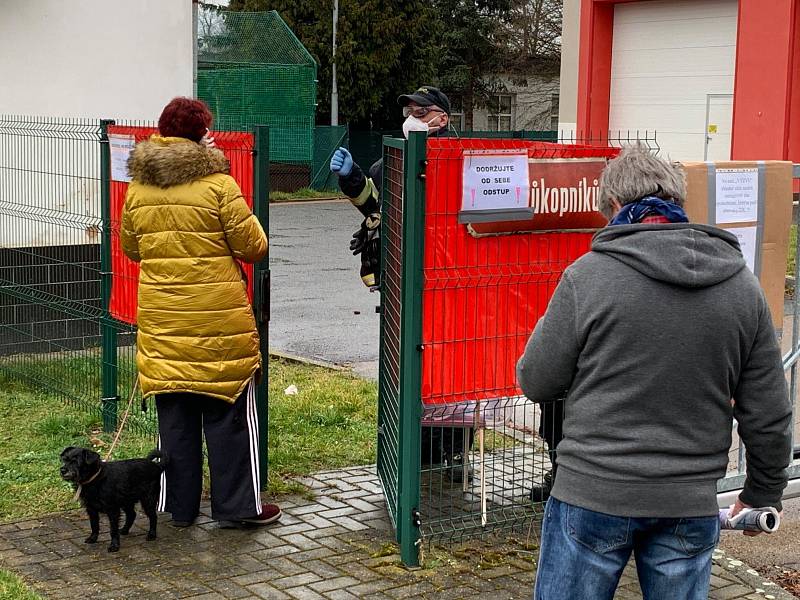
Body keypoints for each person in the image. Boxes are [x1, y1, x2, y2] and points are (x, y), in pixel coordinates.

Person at [516, 145, 792, 600]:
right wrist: (763, 491)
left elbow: (536, 379)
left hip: (592, 493)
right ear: (679, 204)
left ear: (613, 207)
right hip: (687, 502)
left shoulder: (588, 276)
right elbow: (769, 410)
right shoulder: (741, 285)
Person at [120, 97, 281, 529]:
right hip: (218, 326)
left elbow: (131, 247)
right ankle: (239, 508)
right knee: (228, 421)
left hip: (163, 324)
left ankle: (180, 508)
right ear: (201, 137)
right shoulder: (218, 185)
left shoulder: (138, 188)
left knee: (175, 424)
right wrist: (218, 170)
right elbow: (254, 246)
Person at [329, 86, 473, 478]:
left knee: (453, 370)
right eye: (408, 110)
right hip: (404, 283)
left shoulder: (463, 162)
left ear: (442, 119)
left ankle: (456, 453)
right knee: (410, 366)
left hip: (450, 283)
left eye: (420, 111)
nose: (411, 117)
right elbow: (374, 206)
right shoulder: (390, 161)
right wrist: (352, 179)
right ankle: (416, 450)